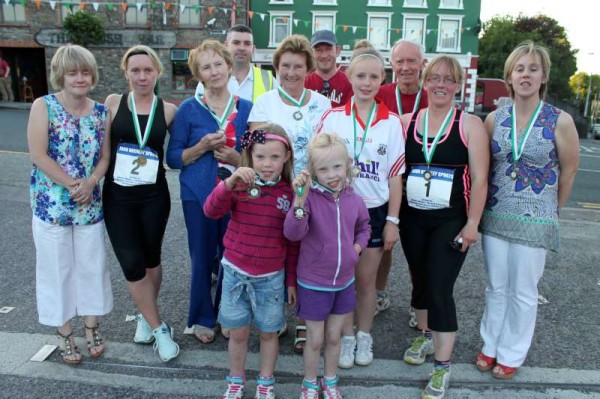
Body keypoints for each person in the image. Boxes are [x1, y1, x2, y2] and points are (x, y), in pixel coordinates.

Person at [477, 41, 579, 380]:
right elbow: (486, 166)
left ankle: (511, 352)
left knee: (523, 290)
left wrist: (553, 209)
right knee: (496, 286)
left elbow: (569, 172)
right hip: (496, 216)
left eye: (533, 69)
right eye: (520, 68)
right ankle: (490, 345)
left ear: (543, 77)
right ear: (509, 76)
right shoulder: (495, 118)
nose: (526, 74)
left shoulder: (560, 121)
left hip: (536, 219)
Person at [398, 55, 489, 399]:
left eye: (448, 80)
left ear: (457, 86)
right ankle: (424, 335)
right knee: (420, 282)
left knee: (439, 287)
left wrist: (472, 224)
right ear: (424, 81)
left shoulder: (470, 125)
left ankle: (442, 367)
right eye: (434, 78)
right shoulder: (406, 121)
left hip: (450, 220)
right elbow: (395, 173)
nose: (440, 84)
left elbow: (480, 179)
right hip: (413, 218)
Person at [317, 46, 405, 369]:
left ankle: (364, 335)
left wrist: (393, 220)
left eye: (373, 76)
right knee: (343, 280)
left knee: (366, 281)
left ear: (383, 79)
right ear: (349, 77)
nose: (366, 82)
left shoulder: (392, 123)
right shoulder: (332, 117)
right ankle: (346, 336)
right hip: (338, 210)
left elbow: (395, 177)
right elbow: (317, 163)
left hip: (376, 210)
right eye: (360, 75)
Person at [27, 44, 113, 365]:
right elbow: (38, 154)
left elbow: (104, 157)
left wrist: (91, 182)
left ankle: (91, 326)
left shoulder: (102, 112)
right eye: (73, 72)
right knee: (56, 269)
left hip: (89, 203)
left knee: (92, 266)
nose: (80, 78)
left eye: (85, 72)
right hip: (52, 204)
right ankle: (64, 331)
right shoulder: (43, 106)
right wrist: (72, 184)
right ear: (60, 75)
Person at [203, 123, 299, 399]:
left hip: (271, 277)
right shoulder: (239, 185)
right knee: (238, 333)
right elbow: (210, 211)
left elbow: (293, 242)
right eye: (260, 157)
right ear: (249, 157)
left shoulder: (289, 193)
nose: (267, 164)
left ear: (286, 158)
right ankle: (235, 380)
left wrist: (291, 280)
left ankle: (265, 381)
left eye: (274, 157)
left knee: (269, 333)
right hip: (235, 273)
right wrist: (228, 183)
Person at [248, 34, 330, 353]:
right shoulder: (265, 102)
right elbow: (251, 146)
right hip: (277, 189)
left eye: (298, 66)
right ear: (277, 67)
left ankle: (303, 320)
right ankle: (276, 315)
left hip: (315, 190)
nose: (291, 73)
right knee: (277, 251)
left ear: (308, 68)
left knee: (309, 254)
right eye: (285, 66)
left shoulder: (323, 104)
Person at [167, 40, 253, 344]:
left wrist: (236, 158)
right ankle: (202, 317)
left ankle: (228, 314)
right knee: (202, 256)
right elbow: (174, 157)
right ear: (198, 75)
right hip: (198, 194)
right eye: (206, 67)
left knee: (232, 256)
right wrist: (200, 147)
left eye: (218, 64)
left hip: (236, 194)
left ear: (229, 66)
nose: (214, 71)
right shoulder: (189, 109)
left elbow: (257, 157)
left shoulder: (246, 109)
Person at [103, 45, 179, 362]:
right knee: (131, 264)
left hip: (153, 197)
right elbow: (100, 147)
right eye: (135, 70)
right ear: (126, 72)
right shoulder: (112, 103)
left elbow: (181, 148)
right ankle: (160, 328)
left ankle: (144, 317)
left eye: (148, 70)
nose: (142, 76)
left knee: (150, 260)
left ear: (157, 72)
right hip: (118, 197)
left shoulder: (169, 110)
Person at [284, 133, 371, 399]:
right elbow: (293, 233)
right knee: (316, 339)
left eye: (337, 166)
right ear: (312, 171)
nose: (332, 174)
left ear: (347, 165)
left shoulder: (354, 199)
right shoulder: (308, 199)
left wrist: (355, 251)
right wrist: (299, 200)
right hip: (313, 282)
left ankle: (330, 382)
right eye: (323, 169)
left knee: (335, 338)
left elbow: (364, 228)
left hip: (344, 282)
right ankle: (309, 383)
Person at [375, 39, 428, 320]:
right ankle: (379, 294)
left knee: (417, 248)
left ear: (422, 64)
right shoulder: (380, 93)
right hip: (385, 183)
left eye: (411, 61)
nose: (405, 67)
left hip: (421, 183)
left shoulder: (434, 95)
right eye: (399, 62)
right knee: (383, 243)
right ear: (392, 64)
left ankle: (417, 302)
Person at [195, 24, 277, 103]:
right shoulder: (209, 79)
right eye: (236, 42)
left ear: (253, 49)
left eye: (247, 43)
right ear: (226, 46)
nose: (242, 48)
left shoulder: (268, 80)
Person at [305, 30, 353, 107]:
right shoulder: (305, 83)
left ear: (337, 51)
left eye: (328, 49)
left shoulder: (349, 84)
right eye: (318, 50)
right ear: (311, 52)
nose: (324, 55)